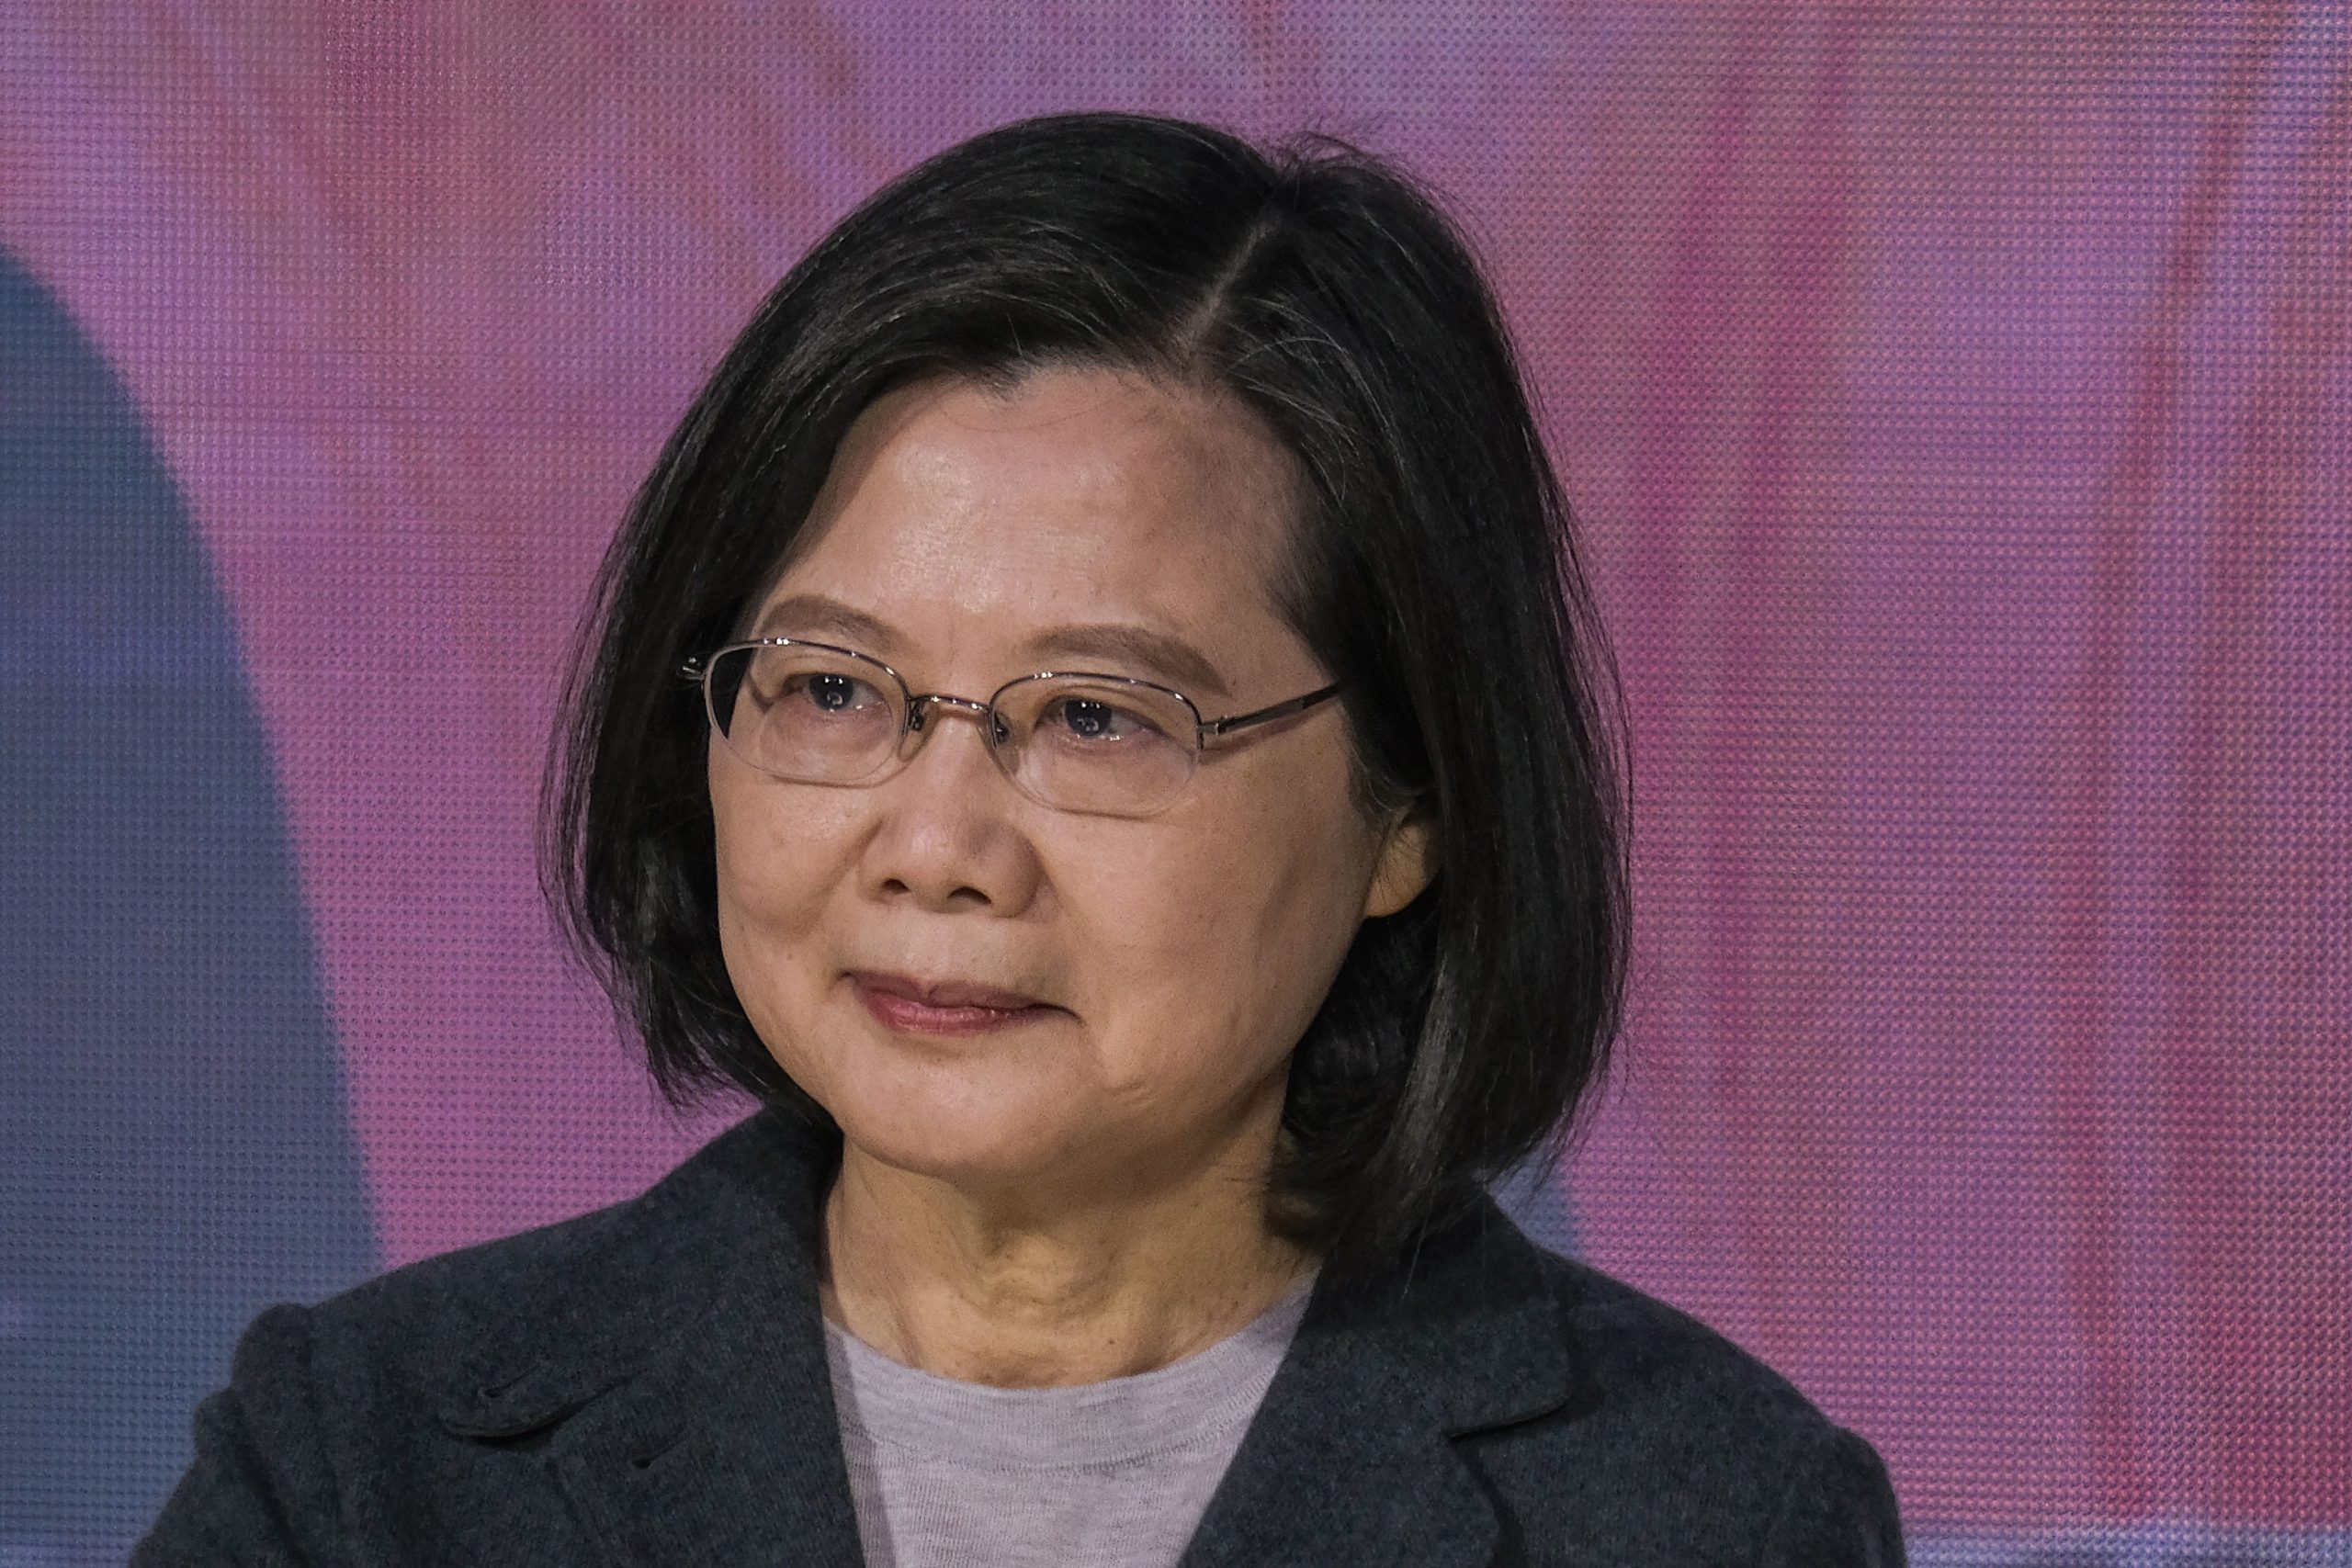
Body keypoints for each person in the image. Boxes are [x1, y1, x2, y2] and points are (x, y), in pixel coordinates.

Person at [135, 110, 1905, 1565]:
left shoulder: (1710, 1521)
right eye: (834, 690)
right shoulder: (369, 1476)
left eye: (1096, 717)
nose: (937, 846)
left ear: (1410, 812)